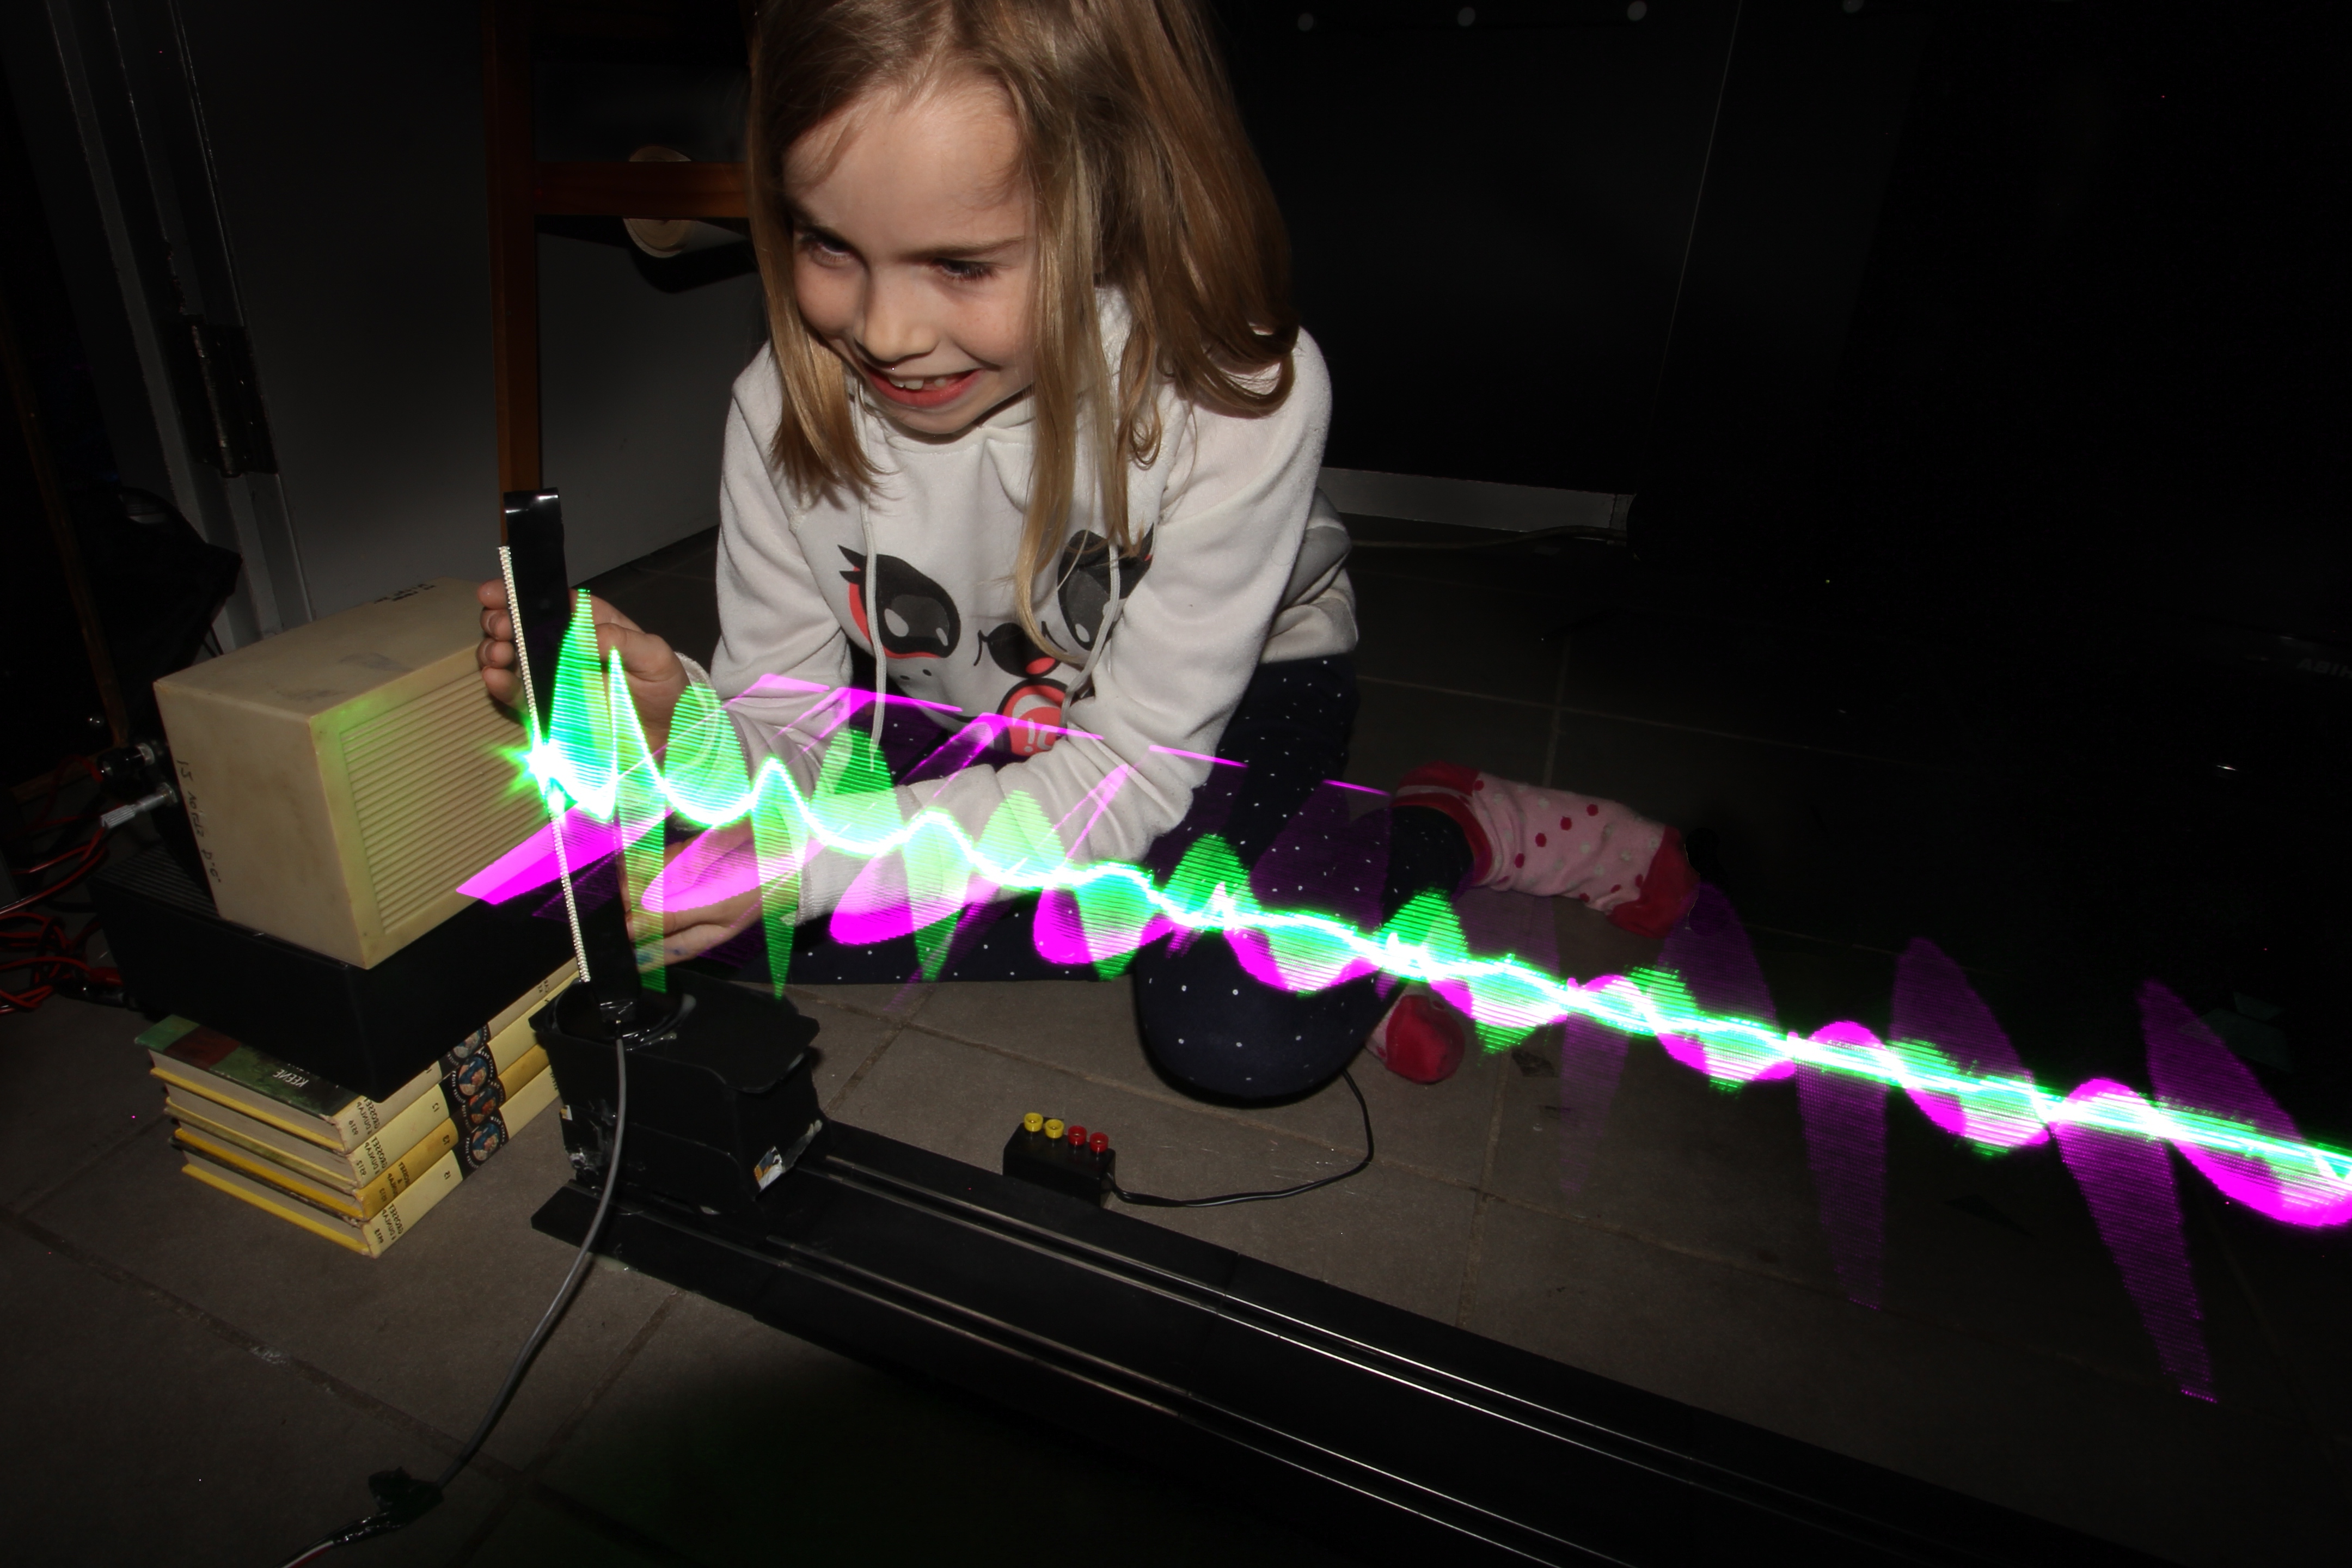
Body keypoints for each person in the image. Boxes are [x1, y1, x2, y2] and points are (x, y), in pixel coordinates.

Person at [477, 0, 1695, 1100]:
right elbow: (790, 728)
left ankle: (1444, 827)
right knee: (681, 910)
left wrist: (823, 858)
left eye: (962, 264)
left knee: (1235, 1032)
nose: (885, 332)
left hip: (1219, 711)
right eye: (829, 246)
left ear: (1109, 203)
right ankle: (1219, 906)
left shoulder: (1239, 399)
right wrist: (682, 728)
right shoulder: (775, 408)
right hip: (991, 712)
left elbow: (1124, 777)